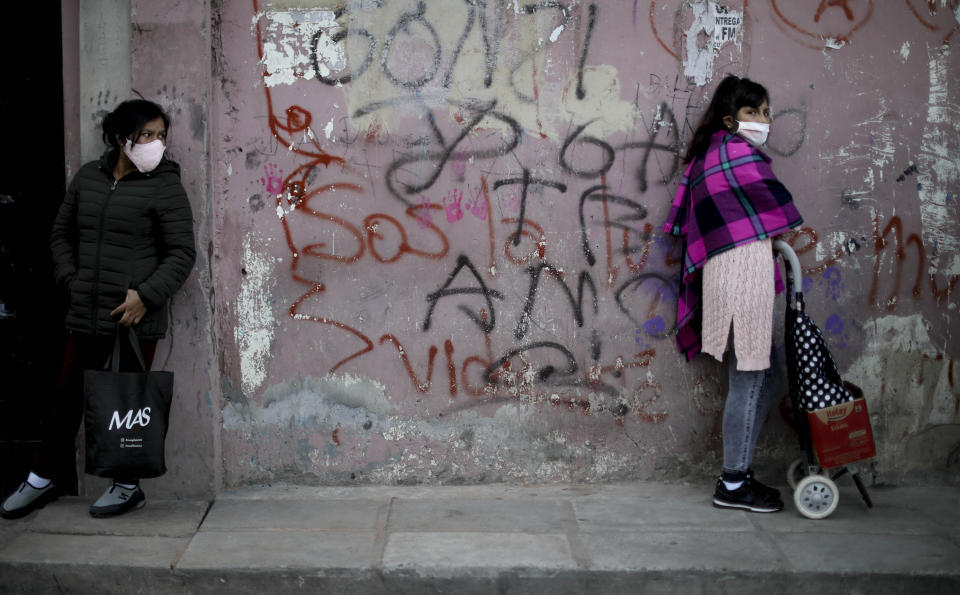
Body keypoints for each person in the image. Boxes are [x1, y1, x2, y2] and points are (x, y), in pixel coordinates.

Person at [1, 99, 195, 519]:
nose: (156, 144)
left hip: (134, 317)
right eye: (147, 135)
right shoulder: (89, 178)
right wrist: (72, 280)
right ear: (121, 137)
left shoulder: (165, 185)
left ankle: (126, 486)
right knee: (66, 399)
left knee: (126, 404)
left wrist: (146, 296)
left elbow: (181, 253)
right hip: (86, 311)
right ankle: (42, 478)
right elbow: (61, 235)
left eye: (161, 135)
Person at [662, 75, 803, 513]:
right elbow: (772, 207)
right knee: (749, 377)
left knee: (766, 373)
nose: (762, 120)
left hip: (731, 271)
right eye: (752, 112)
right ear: (730, 119)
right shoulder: (737, 156)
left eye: (765, 112)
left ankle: (738, 470)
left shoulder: (712, 156)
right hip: (742, 271)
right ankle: (734, 482)